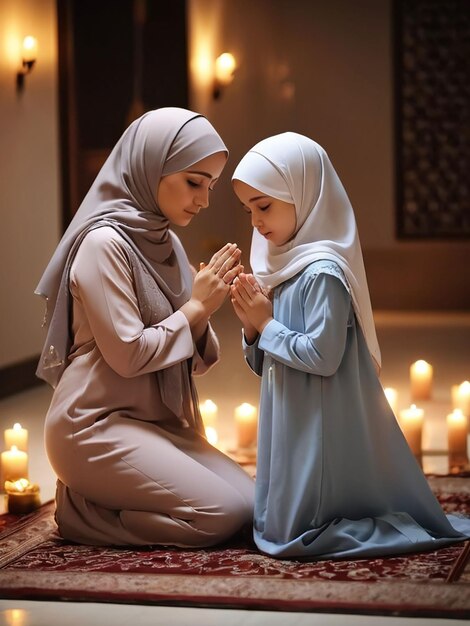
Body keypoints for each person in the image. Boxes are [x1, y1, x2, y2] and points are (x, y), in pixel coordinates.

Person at [230, 131, 470, 559]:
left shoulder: (323, 273)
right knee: (277, 521)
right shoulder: (280, 266)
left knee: (295, 525)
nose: (255, 222)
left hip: (320, 423)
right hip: (290, 416)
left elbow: (322, 357)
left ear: (304, 195)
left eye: (263, 206)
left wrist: (264, 323)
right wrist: (252, 329)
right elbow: (267, 363)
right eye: (249, 209)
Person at [36, 107, 254, 547]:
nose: (204, 199)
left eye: (210, 186)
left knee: (252, 506)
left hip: (156, 423)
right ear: (151, 165)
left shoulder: (164, 240)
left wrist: (205, 308)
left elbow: (194, 364)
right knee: (219, 515)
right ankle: (86, 517)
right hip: (93, 426)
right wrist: (196, 307)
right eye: (194, 182)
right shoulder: (103, 245)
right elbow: (130, 354)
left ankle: (107, 499)